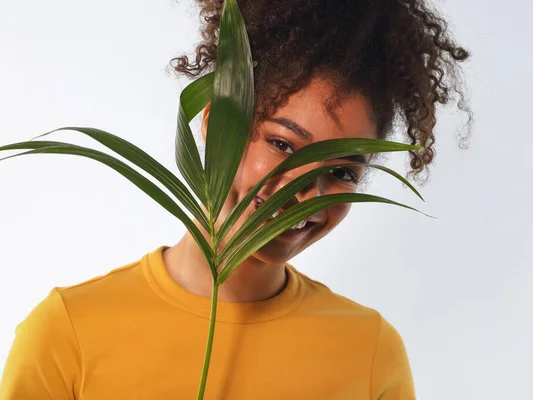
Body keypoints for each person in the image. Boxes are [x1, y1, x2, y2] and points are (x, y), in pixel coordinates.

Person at [0, 0, 470, 398]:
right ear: (214, 123)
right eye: (282, 144)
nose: (304, 191)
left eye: (340, 170)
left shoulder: (369, 352)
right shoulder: (69, 332)